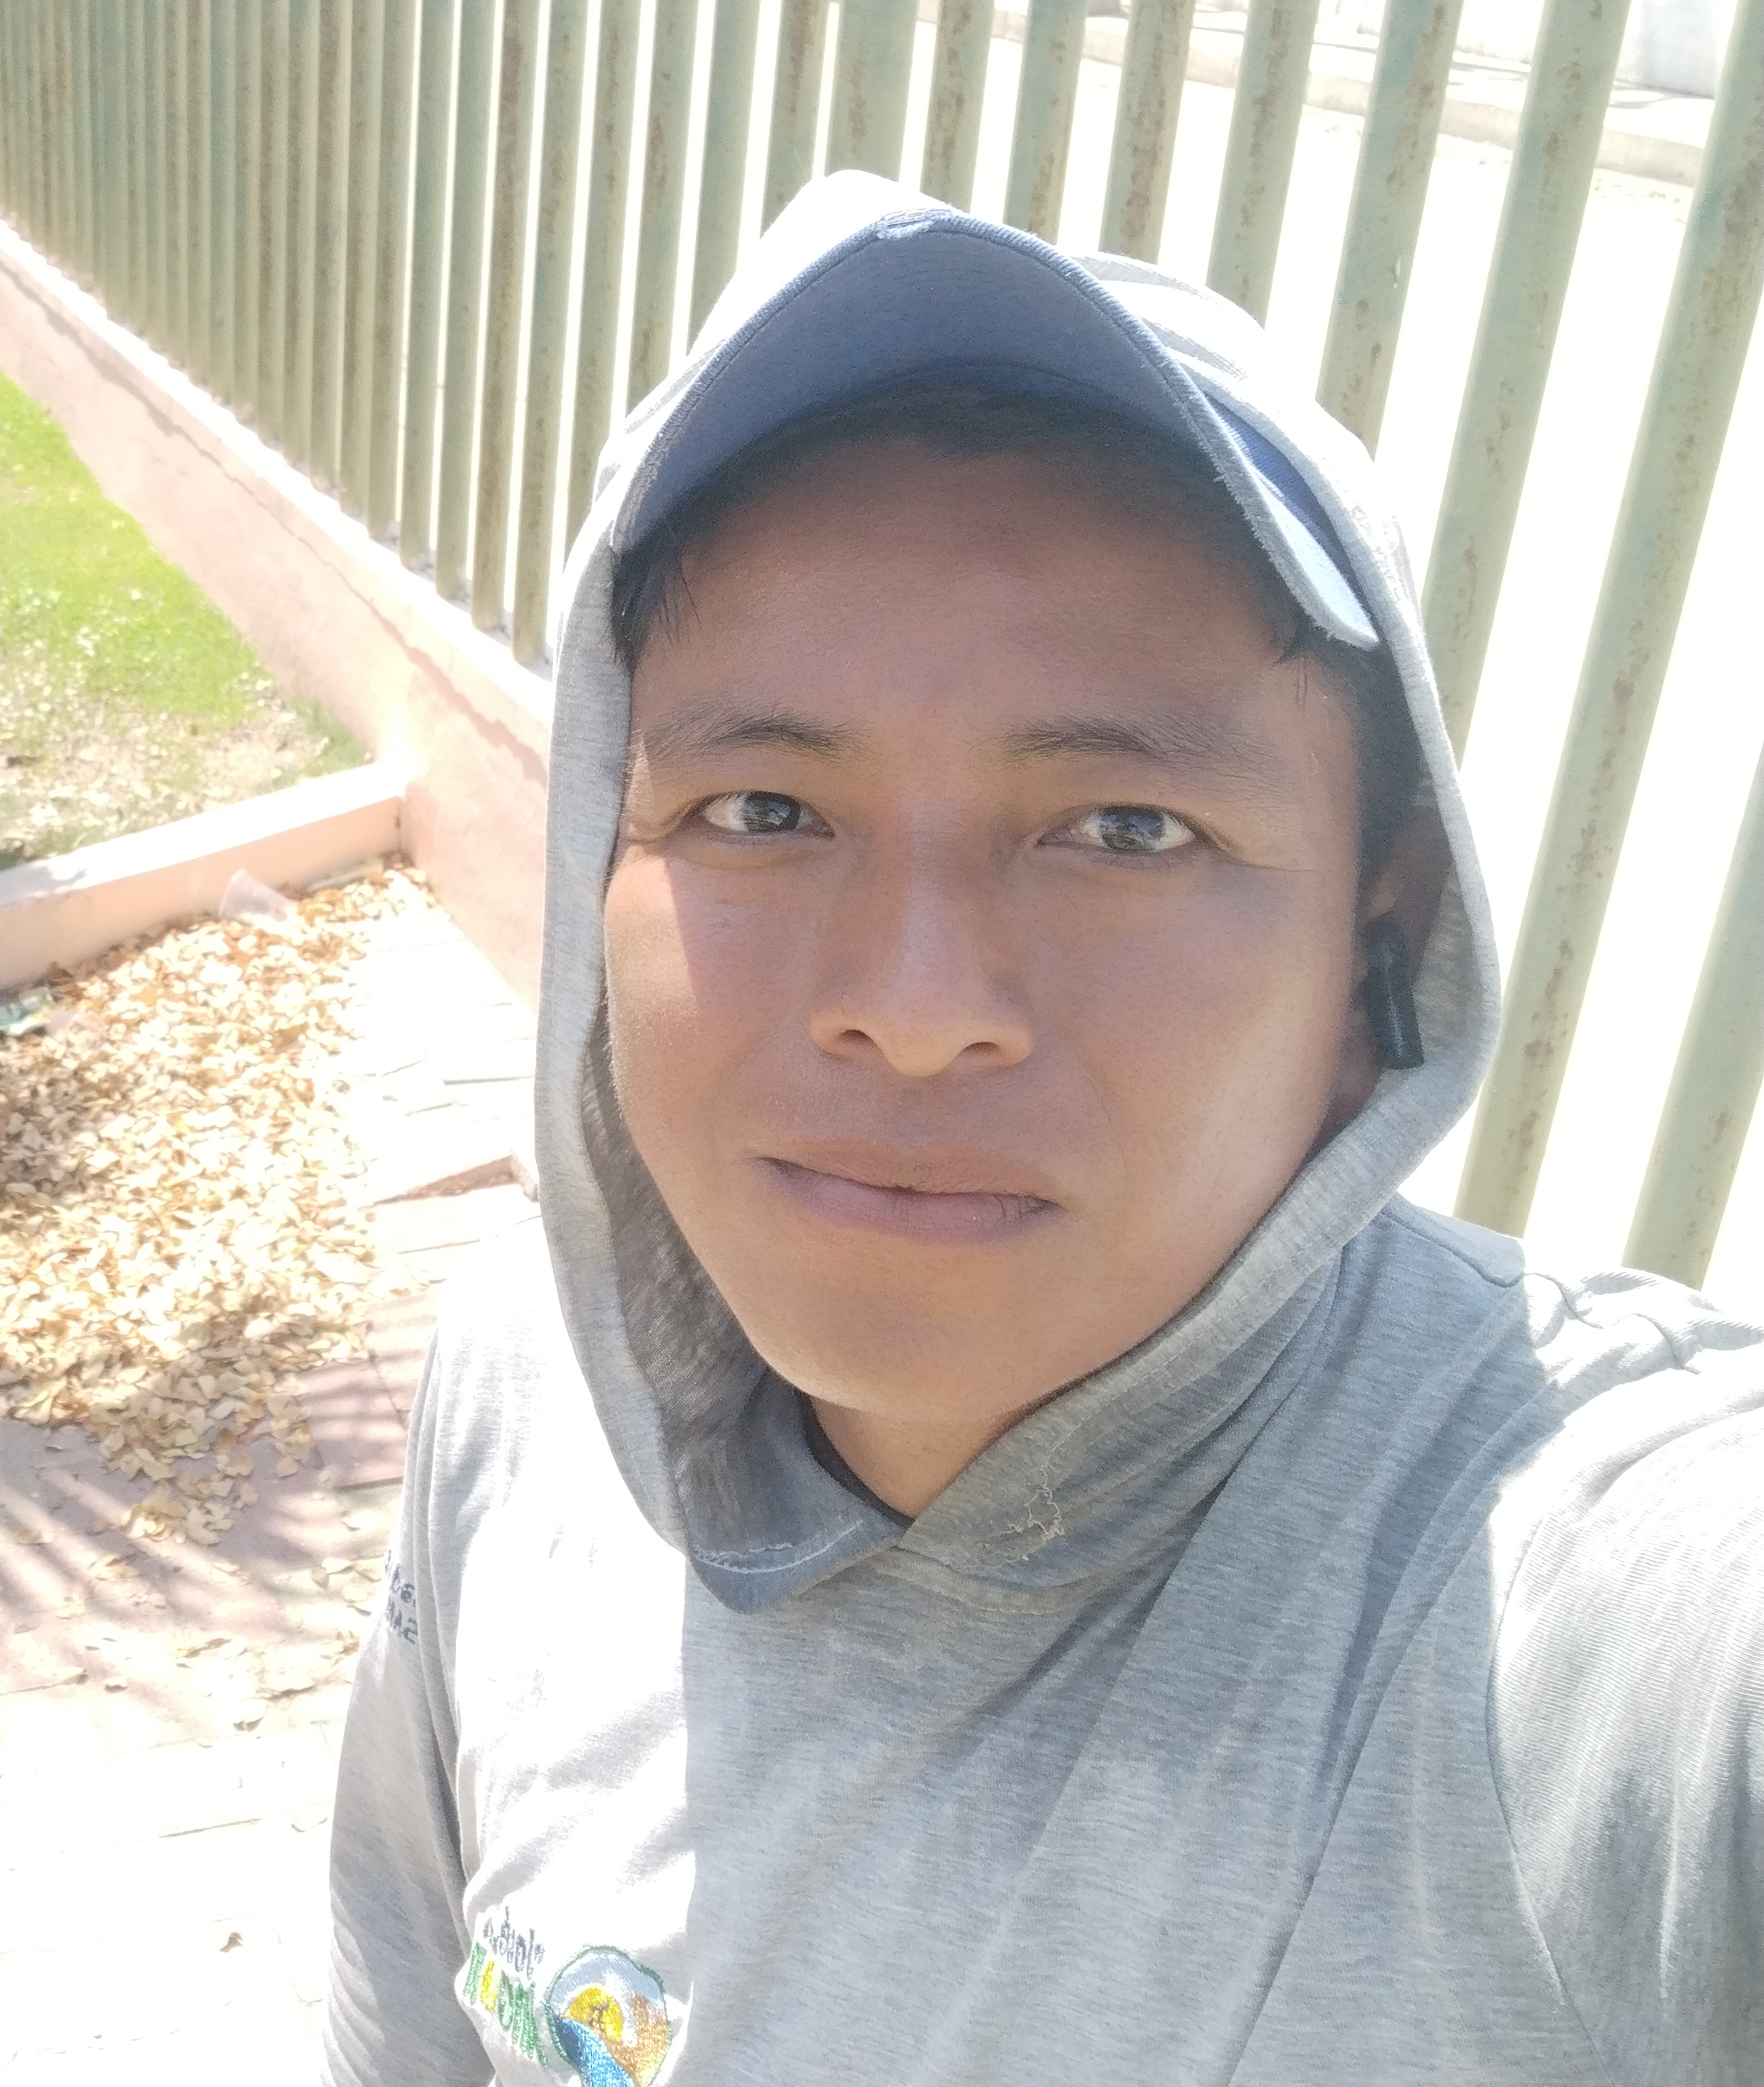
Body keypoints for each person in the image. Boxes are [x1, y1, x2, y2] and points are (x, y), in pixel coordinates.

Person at [323, 172, 1763, 2084]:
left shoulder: (1589, 1621)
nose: (916, 1006)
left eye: (1125, 831)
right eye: (761, 811)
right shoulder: (518, 1390)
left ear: (1377, 955)